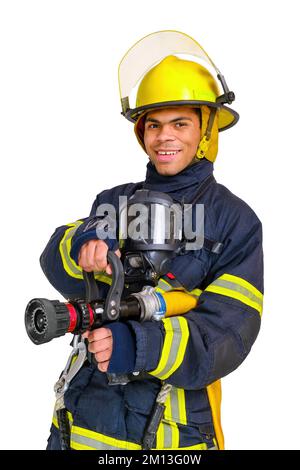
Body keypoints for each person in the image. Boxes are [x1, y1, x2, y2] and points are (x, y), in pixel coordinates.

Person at [41, 31, 263, 450]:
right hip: (80, 423)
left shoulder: (234, 220)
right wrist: (82, 248)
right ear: (141, 132)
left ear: (207, 129)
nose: (165, 137)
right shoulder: (115, 201)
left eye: (181, 123)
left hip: (171, 436)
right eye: (154, 125)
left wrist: (140, 346)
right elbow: (56, 266)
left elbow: (230, 333)